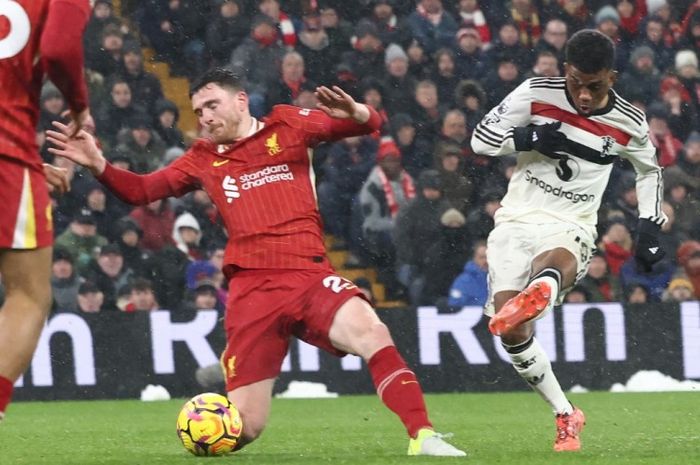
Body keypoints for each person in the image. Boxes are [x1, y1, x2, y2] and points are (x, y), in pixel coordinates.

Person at [47, 68, 465, 456]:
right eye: (198, 111)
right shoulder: (202, 158)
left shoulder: (288, 125)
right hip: (252, 293)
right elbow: (142, 191)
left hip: (308, 274)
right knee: (243, 428)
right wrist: (99, 164)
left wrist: (357, 110)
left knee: (373, 332)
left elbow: (367, 125)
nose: (205, 117)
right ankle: (208, 411)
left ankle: (422, 435)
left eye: (212, 105)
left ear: (241, 101)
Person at [470, 30, 667, 452]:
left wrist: (650, 225)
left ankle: (543, 286)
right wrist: (529, 138)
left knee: (554, 260)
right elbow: (480, 140)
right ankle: (566, 413)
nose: (582, 94)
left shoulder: (628, 121)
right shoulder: (536, 92)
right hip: (514, 220)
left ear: (610, 78)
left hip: (571, 221)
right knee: (512, 331)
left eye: (593, 86)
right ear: (565, 71)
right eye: (576, 82)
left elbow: (650, 170)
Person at [0, 0, 91, 421]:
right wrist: (79, 105)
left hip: (19, 159)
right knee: (30, 296)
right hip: (6, 157)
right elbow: (58, 49)